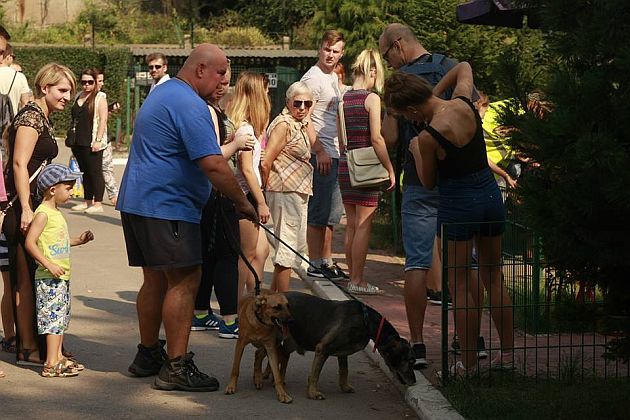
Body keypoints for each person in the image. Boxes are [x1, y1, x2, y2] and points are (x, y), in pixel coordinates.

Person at [117, 43, 256, 392]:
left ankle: (149, 354)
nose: (226, 79)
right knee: (185, 278)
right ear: (200, 70)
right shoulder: (190, 105)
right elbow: (212, 163)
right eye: (221, 72)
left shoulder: (165, 95)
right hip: (167, 207)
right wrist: (243, 202)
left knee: (156, 280)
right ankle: (176, 366)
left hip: (139, 201)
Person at [385, 63, 515, 372]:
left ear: (413, 108)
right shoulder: (463, 102)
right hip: (490, 197)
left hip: (459, 206)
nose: (410, 120)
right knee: (493, 277)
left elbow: (429, 181)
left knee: (458, 286)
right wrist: (434, 92)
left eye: (407, 115)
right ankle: (508, 355)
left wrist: (417, 150)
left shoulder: (429, 136)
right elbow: (464, 67)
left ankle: (467, 363)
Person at [379, 22, 482, 368]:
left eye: (385, 55)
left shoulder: (396, 85)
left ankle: (419, 345)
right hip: (456, 178)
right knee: (463, 264)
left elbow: (390, 136)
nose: (387, 62)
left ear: (398, 45)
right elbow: (473, 109)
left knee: (417, 262)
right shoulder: (450, 65)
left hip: (418, 179)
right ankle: (470, 340)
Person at [4, 63, 76, 367]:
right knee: (25, 279)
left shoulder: (41, 116)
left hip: (33, 207)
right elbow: (19, 165)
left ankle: (46, 347)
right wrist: (26, 208)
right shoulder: (31, 118)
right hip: (23, 209)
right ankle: (30, 349)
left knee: (36, 278)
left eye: (70, 90)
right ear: (44, 88)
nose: (67, 96)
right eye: (62, 90)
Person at [192, 63, 255, 338]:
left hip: (212, 192)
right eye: (217, 79)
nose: (221, 85)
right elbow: (212, 156)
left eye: (225, 81)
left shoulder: (215, 110)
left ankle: (201, 312)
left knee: (209, 254)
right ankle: (230, 319)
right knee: (227, 256)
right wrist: (238, 143)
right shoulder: (205, 111)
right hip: (216, 192)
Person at [24, 164, 94, 377]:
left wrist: (78, 241)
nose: (72, 192)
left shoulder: (55, 213)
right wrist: (48, 264)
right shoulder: (43, 214)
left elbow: (58, 242)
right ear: (53, 189)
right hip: (48, 277)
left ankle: (59, 357)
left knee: (60, 319)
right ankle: (51, 362)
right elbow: (30, 242)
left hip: (61, 276)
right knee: (52, 321)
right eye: (69, 187)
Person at [338, 49, 395, 295]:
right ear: (372, 70)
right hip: (367, 169)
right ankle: (358, 280)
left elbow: (342, 139)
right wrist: (390, 168)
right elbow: (377, 138)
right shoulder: (371, 99)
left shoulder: (343, 98)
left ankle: (353, 277)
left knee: (351, 224)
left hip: (346, 165)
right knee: (363, 225)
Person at [301, 29, 347, 280]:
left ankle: (327, 260)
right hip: (322, 153)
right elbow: (304, 117)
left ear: (342, 53)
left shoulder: (332, 78)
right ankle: (314, 262)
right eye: (327, 49)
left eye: (335, 51)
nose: (330, 55)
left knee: (332, 214)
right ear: (320, 49)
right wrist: (319, 150)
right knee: (319, 211)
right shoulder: (313, 78)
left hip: (336, 150)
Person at [260, 81, 314, 292]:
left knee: (291, 250)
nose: (302, 108)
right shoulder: (284, 124)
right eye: (297, 103)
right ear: (287, 102)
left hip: (296, 191)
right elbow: (267, 161)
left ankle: (275, 300)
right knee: (286, 253)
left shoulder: (298, 123)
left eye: (307, 104)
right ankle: (282, 305)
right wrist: (263, 195)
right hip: (284, 190)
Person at [226, 72, 271, 304]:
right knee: (245, 255)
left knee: (261, 250)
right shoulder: (245, 130)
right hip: (246, 196)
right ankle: (234, 310)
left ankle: (255, 300)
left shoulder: (250, 128)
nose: (268, 95)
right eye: (265, 91)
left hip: (249, 194)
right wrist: (261, 201)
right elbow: (246, 169)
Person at [69, 69, 107, 214]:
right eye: (83, 82)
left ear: (95, 82)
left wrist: (98, 140)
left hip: (92, 140)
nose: (86, 85)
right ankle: (87, 201)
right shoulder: (79, 95)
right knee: (84, 172)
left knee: (95, 172)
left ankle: (98, 203)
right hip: (79, 140)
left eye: (90, 82)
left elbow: (103, 119)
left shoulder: (99, 98)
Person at [94, 69, 119, 205]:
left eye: (102, 81)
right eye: (99, 81)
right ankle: (90, 196)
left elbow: (103, 119)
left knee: (106, 166)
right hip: (87, 139)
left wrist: (108, 110)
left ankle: (113, 195)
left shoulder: (102, 96)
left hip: (103, 138)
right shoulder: (82, 97)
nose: (101, 84)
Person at [0, 44, 33, 116]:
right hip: (10, 122)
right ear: (8, 57)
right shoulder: (19, 76)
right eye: (12, 57)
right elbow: (25, 103)